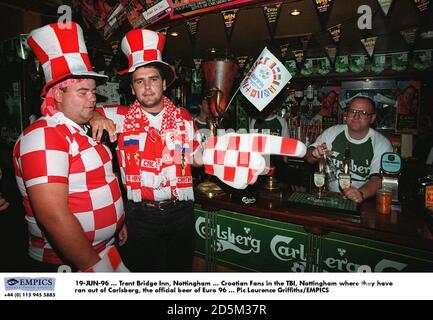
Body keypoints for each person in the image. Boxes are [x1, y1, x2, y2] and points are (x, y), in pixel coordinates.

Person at [13, 22, 127, 272]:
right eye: (83, 92)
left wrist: (118, 223)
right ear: (57, 94)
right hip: (67, 263)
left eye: (94, 92)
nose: (93, 98)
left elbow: (100, 179)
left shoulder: (77, 127)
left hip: (104, 250)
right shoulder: (43, 136)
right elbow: (52, 217)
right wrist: (93, 268)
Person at [91, 29, 201, 272]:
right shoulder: (118, 116)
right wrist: (96, 116)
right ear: (132, 89)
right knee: (142, 276)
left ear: (164, 83)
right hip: (138, 215)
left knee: (179, 274)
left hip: (180, 211)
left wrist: (224, 155)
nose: (147, 87)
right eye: (139, 81)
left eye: (153, 79)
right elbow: (84, 109)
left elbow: (195, 158)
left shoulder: (183, 118)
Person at [305, 96, 392, 203]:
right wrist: (314, 154)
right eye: (352, 111)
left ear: (372, 118)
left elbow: (377, 180)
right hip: (331, 197)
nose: (356, 116)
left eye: (363, 113)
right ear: (346, 114)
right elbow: (308, 155)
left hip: (364, 200)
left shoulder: (382, 143)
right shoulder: (332, 132)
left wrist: (360, 193)